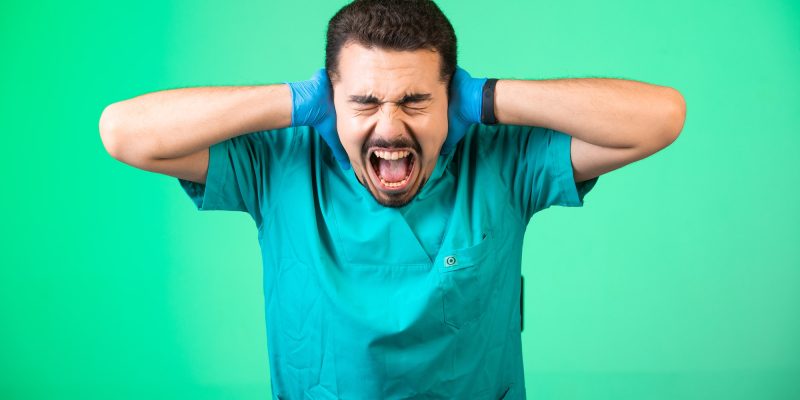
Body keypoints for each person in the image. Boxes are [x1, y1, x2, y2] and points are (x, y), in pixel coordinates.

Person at [98, 0, 686, 398]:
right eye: (364, 102)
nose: (389, 126)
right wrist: (296, 100)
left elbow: (660, 119)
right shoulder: (275, 164)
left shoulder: (504, 162)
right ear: (329, 101)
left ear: (451, 98)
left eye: (414, 100)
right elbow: (123, 134)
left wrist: (489, 99)